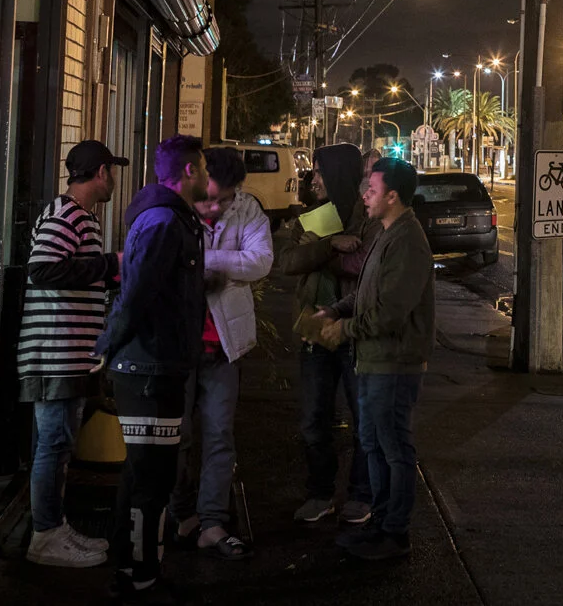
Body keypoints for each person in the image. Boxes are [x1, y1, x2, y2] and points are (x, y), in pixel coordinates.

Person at [96, 136, 208, 599]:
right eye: (202, 169)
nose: (207, 177)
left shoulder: (169, 218)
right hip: (148, 368)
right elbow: (136, 294)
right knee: (153, 477)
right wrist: (105, 346)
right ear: (186, 172)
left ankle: (133, 566)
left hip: (155, 363)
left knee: (145, 473)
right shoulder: (165, 222)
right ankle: (142, 575)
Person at [318, 156, 436, 560]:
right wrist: (336, 310)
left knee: (393, 447)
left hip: (394, 363)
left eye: (372, 188)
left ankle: (394, 533)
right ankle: (381, 523)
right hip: (372, 360)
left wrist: (344, 329)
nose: (365, 194)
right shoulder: (386, 232)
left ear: (393, 196)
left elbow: (389, 312)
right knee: (373, 443)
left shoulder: (407, 240)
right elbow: (368, 294)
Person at [19, 141, 127, 568]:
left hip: (69, 352)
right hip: (54, 352)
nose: (114, 180)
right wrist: (109, 263)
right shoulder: (66, 216)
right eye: (112, 171)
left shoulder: (76, 217)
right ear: (101, 172)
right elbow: (42, 269)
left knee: (58, 445)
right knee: (53, 444)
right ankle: (45, 535)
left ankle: (54, 527)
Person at [169, 146, 272, 559]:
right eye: (208, 196)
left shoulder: (249, 211)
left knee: (218, 436)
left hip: (225, 345)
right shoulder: (174, 208)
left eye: (223, 199)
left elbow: (261, 261)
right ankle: (179, 514)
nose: (213, 206)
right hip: (178, 343)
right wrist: (226, 262)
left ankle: (211, 521)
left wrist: (203, 259)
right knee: (175, 436)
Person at [272, 144, 376, 525]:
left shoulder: (366, 216)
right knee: (314, 420)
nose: (312, 179)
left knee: (364, 420)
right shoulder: (313, 217)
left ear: (338, 174)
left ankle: (361, 495)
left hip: (354, 333)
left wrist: (320, 252)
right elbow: (288, 262)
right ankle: (320, 493)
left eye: (319, 172)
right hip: (315, 331)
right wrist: (330, 244)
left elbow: (363, 264)